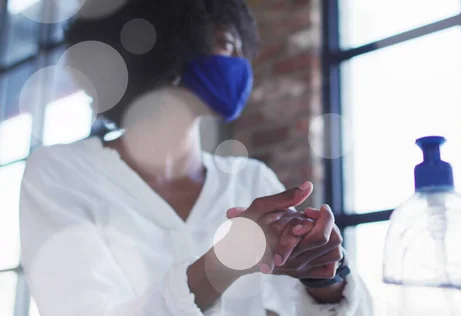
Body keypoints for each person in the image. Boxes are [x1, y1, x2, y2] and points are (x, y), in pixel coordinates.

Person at [19, 0, 372, 315]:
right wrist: (228, 260)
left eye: (240, 48)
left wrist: (326, 277)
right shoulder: (61, 173)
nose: (239, 66)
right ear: (157, 45)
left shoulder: (250, 180)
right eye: (224, 44)